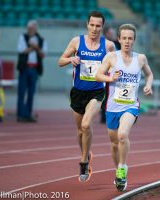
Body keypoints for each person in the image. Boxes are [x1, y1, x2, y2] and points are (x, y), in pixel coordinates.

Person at [57, 11, 115, 182]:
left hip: (96, 92)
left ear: (102, 27)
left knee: (86, 124)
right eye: (92, 25)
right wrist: (70, 60)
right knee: (80, 130)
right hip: (78, 92)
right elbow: (60, 61)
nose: (95, 29)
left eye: (98, 26)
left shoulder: (109, 45)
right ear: (87, 25)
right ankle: (86, 153)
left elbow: (118, 64)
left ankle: (83, 162)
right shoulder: (77, 41)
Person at [95, 24, 154, 191]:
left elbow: (149, 74)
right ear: (119, 39)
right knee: (114, 144)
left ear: (134, 40)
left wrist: (148, 85)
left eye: (130, 38)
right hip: (112, 107)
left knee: (122, 135)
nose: (127, 41)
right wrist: (110, 78)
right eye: (124, 38)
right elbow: (98, 75)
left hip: (131, 106)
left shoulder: (140, 58)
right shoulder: (111, 57)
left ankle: (122, 168)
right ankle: (118, 170)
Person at [16, 20, 47, 123]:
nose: (29, 30)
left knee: (31, 93)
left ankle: (28, 114)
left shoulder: (41, 39)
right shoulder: (22, 37)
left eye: (31, 28)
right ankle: (20, 114)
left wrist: (34, 47)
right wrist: (34, 48)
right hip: (24, 68)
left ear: (35, 28)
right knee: (21, 92)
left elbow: (43, 54)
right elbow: (21, 51)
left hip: (34, 69)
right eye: (28, 28)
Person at [100, 26, 121, 124]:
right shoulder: (102, 43)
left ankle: (116, 115)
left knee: (114, 95)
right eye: (110, 33)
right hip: (105, 72)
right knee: (105, 94)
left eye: (113, 33)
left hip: (115, 73)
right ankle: (103, 116)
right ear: (106, 33)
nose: (112, 35)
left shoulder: (117, 43)